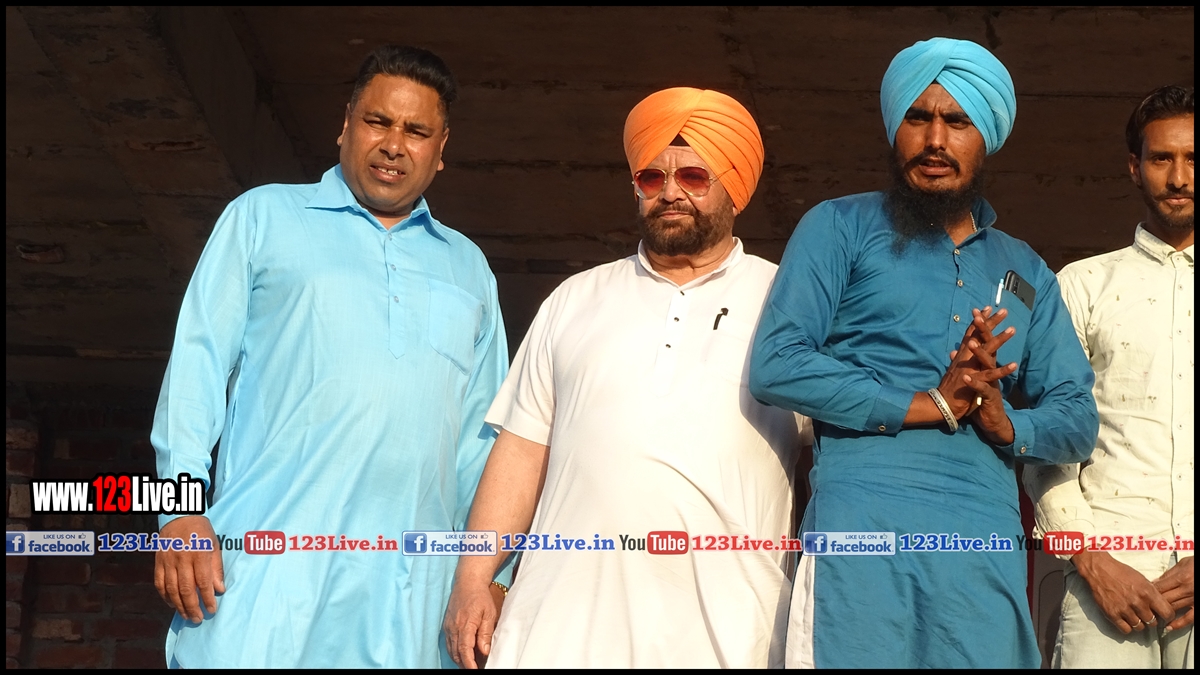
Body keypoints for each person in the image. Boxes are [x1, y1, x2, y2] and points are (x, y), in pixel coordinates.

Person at [150, 45, 511, 668]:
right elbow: (195, 369)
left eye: (416, 131)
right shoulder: (263, 217)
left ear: (440, 149)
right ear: (345, 124)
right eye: (378, 121)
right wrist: (176, 513)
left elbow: (484, 447)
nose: (394, 145)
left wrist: (488, 576)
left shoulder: (468, 268)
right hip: (263, 581)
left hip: (407, 605)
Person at [749, 37, 1100, 668]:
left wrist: (1005, 422)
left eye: (957, 122)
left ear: (986, 137)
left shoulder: (1025, 270)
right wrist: (928, 402)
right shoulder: (840, 226)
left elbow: (1077, 417)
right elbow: (779, 362)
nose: (935, 140)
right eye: (918, 118)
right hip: (858, 539)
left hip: (982, 548)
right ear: (895, 128)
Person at [442, 87, 810, 668]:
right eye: (651, 177)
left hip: (731, 638)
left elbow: (839, 461)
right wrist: (472, 579)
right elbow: (521, 451)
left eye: (694, 176)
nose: (670, 192)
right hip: (561, 632)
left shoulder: (788, 304)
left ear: (735, 187)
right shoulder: (574, 299)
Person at [1024, 84, 1193, 669]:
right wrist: (1092, 561)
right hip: (1110, 580)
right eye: (1161, 158)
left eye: (1192, 158)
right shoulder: (1082, 284)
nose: (1178, 177)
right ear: (1134, 168)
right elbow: (1046, 438)